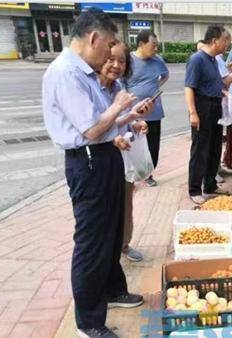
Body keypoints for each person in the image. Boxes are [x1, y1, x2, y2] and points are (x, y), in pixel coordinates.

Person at [42, 8, 152, 338]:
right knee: (91, 242)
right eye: (108, 49)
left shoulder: (84, 73)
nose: (111, 57)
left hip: (103, 158)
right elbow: (91, 129)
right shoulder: (66, 73)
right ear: (93, 38)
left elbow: (104, 127)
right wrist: (118, 105)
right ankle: (88, 321)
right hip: (86, 163)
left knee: (111, 230)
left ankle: (113, 289)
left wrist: (127, 114)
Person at [97, 41, 150, 263]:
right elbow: (92, 128)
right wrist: (113, 138)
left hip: (124, 157)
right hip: (101, 160)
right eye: (111, 59)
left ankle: (124, 244)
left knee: (125, 205)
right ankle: (105, 252)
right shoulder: (92, 88)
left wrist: (136, 124)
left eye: (122, 60)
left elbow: (124, 120)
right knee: (104, 211)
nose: (116, 65)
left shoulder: (119, 88)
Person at [185, 26, 231, 204]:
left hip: (215, 106)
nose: (227, 44)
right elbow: (189, 87)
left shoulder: (213, 60)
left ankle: (210, 184)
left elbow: (216, 82)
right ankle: (194, 189)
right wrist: (193, 113)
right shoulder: (197, 59)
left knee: (214, 147)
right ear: (214, 41)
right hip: (202, 107)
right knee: (200, 150)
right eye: (225, 40)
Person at [125, 29, 169, 188]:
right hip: (133, 114)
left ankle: (148, 173)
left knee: (153, 147)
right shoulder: (128, 60)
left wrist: (154, 86)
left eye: (157, 45)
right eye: (153, 45)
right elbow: (121, 84)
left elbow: (165, 75)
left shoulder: (158, 60)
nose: (156, 48)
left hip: (154, 111)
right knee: (133, 146)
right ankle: (132, 175)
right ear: (141, 44)